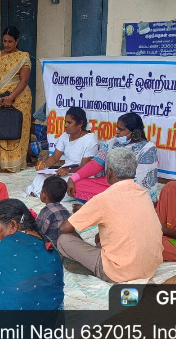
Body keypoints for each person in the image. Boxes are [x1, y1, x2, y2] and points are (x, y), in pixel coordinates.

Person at [57, 148, 163, 283]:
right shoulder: (143, 193)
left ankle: (93, 266)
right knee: (101, 237)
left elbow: (65, 228)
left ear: (110, 172)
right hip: (149, 267)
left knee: (64, 240)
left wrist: (82, 216)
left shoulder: (104, 199)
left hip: (118, 272)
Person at [66, 112, 158, 204]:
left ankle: (105, 203)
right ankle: (106, 202)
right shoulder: (113, 142)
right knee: (76, 185)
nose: (117, 132)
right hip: (108, 184)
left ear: (135, 132)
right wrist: (72, 178)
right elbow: (96, 164)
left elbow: (140, 181)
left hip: (130, 189)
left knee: (124, 197)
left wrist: (117, 189)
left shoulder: (148, 148)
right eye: (117, 128)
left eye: (121, 129)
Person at [0, 26, 32, 173]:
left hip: (18, 99)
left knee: (14, 127)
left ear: (17, 41)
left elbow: (24, 80)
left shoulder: (23, 57)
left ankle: (13, 164)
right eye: (4, 41)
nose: (7, 44)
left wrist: (11, 97)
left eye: (10, 41)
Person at [25, 107, 99, 197]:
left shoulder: (90, 140)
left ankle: (43, 193)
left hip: (79, 175)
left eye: (69, 123)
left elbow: (85, 167)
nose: (66, 125)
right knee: (41, 176)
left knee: (62, 185)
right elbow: (55, 157)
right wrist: (44, 165)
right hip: (64, 170)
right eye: (65, 122)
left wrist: (69, 170)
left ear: (80, 124)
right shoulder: (65, 136)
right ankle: (39, 192)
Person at [36, 176, 71, 247]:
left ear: (44, 194)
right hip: (64, 247)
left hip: (51, 247)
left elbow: (39, 232)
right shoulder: (65, 211)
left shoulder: (46, 212)